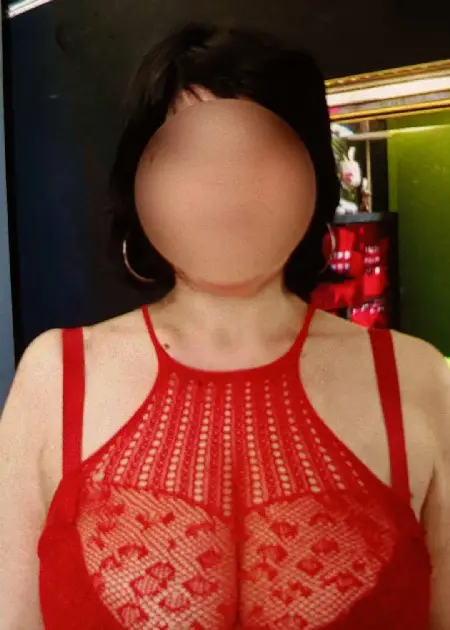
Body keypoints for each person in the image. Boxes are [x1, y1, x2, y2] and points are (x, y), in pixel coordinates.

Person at [0, 21, 449, 630]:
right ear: (142, 180)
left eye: (258, 153)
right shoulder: (54, 377)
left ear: (309, 176)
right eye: (190, 154)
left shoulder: (418, 378)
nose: (225, 185)